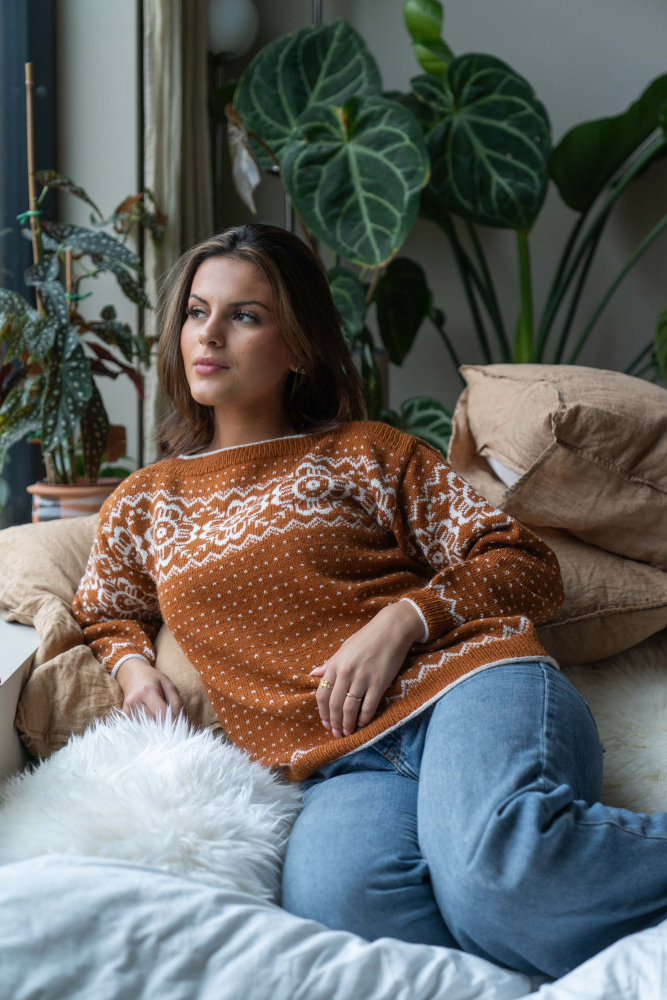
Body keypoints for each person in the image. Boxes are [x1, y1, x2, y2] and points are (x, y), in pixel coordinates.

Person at [71, 224, 667, 982]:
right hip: (339, 770)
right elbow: (104, 608)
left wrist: (404, 618)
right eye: (196, 311)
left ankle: (523, 906)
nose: (209, 334)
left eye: (245, 315)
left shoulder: (366, 452)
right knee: (342, 905)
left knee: (498, 883)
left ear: (298, 347)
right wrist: (132, 669)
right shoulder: (144, 501)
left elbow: (524, 563)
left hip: (464, 690)